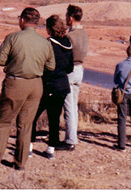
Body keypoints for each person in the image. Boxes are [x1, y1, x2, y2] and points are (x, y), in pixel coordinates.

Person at [0, 7, 55, 171]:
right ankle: (20, 163)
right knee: (26, 125)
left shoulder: (12, 38)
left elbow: (0, 60)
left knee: (4, 122)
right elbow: (51, 66)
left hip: (15, 84)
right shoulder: (45, 43)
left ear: (23, 20)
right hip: (35, 86)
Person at [31, 15, 73, 160]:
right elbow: (70, 68)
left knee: (32, 116)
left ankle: (28, 147)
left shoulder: (48, 43)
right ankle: (51, 149)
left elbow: (43, 65)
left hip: (48, 85)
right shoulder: (68, 42)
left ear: (49, 28)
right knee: (54, 118)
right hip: (62, 86)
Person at [58, 4, 89, 151]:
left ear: (70, 18)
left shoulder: (69, 37)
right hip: (80, 71)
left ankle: (70, 140)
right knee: (73, 106)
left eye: (66, 17)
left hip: (69, 72)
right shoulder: (84, 34)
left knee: (69, 107)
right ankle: (72, 136)